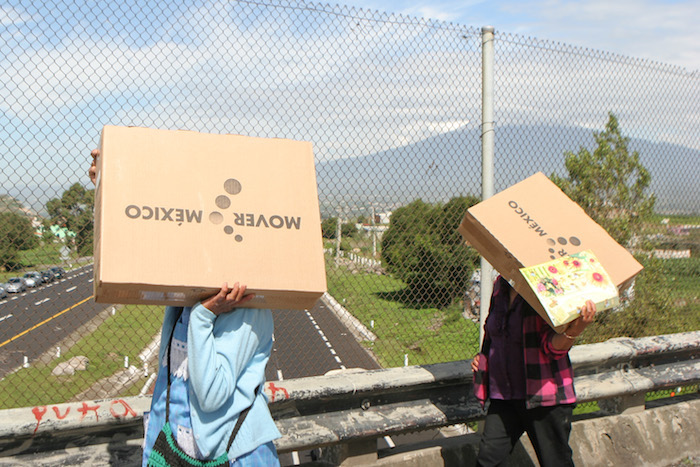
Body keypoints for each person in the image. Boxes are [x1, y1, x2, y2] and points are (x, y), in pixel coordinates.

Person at [89, 151, 281, 466]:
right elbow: (135, 249)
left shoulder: (247, 306)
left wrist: (205, 317)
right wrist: (108, 189)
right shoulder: (191, 293)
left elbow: (212, 397)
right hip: (176, 446)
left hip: (232, 456)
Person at [471, 274, 596, 466]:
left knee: (555, 462)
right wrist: (483, 357)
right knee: (488, 460)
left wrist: (574, 331)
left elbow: (553, 347)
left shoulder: (548, 286)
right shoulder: (500, 285)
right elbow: (493, 332)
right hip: (504, 395)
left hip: (545, 397)